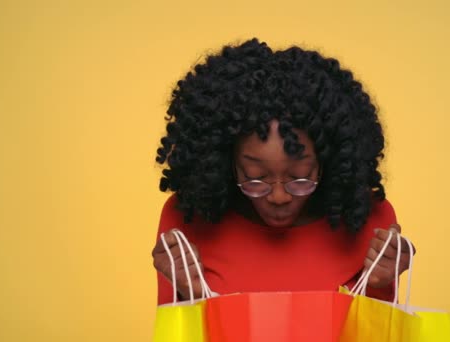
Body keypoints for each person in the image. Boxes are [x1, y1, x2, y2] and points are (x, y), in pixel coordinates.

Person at [151, 38, 415, 305]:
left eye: (300, 177)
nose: (278, 197)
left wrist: (379, 287)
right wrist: (191, 296)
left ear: (328, 160)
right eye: (255, 177)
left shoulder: (369, 222)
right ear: (225, 162)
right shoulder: (186, 223)